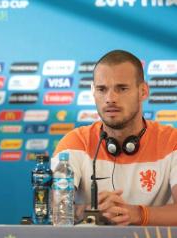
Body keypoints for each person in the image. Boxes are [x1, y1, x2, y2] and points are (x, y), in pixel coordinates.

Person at [54, 50, 177, 226]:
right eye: (102, 89)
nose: (110, 99)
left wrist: (137, 214)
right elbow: (52, 207)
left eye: (122, 88)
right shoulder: (74, 143)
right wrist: (92, 211)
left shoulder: (172, 142)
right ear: (93, 92)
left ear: (143, 91)